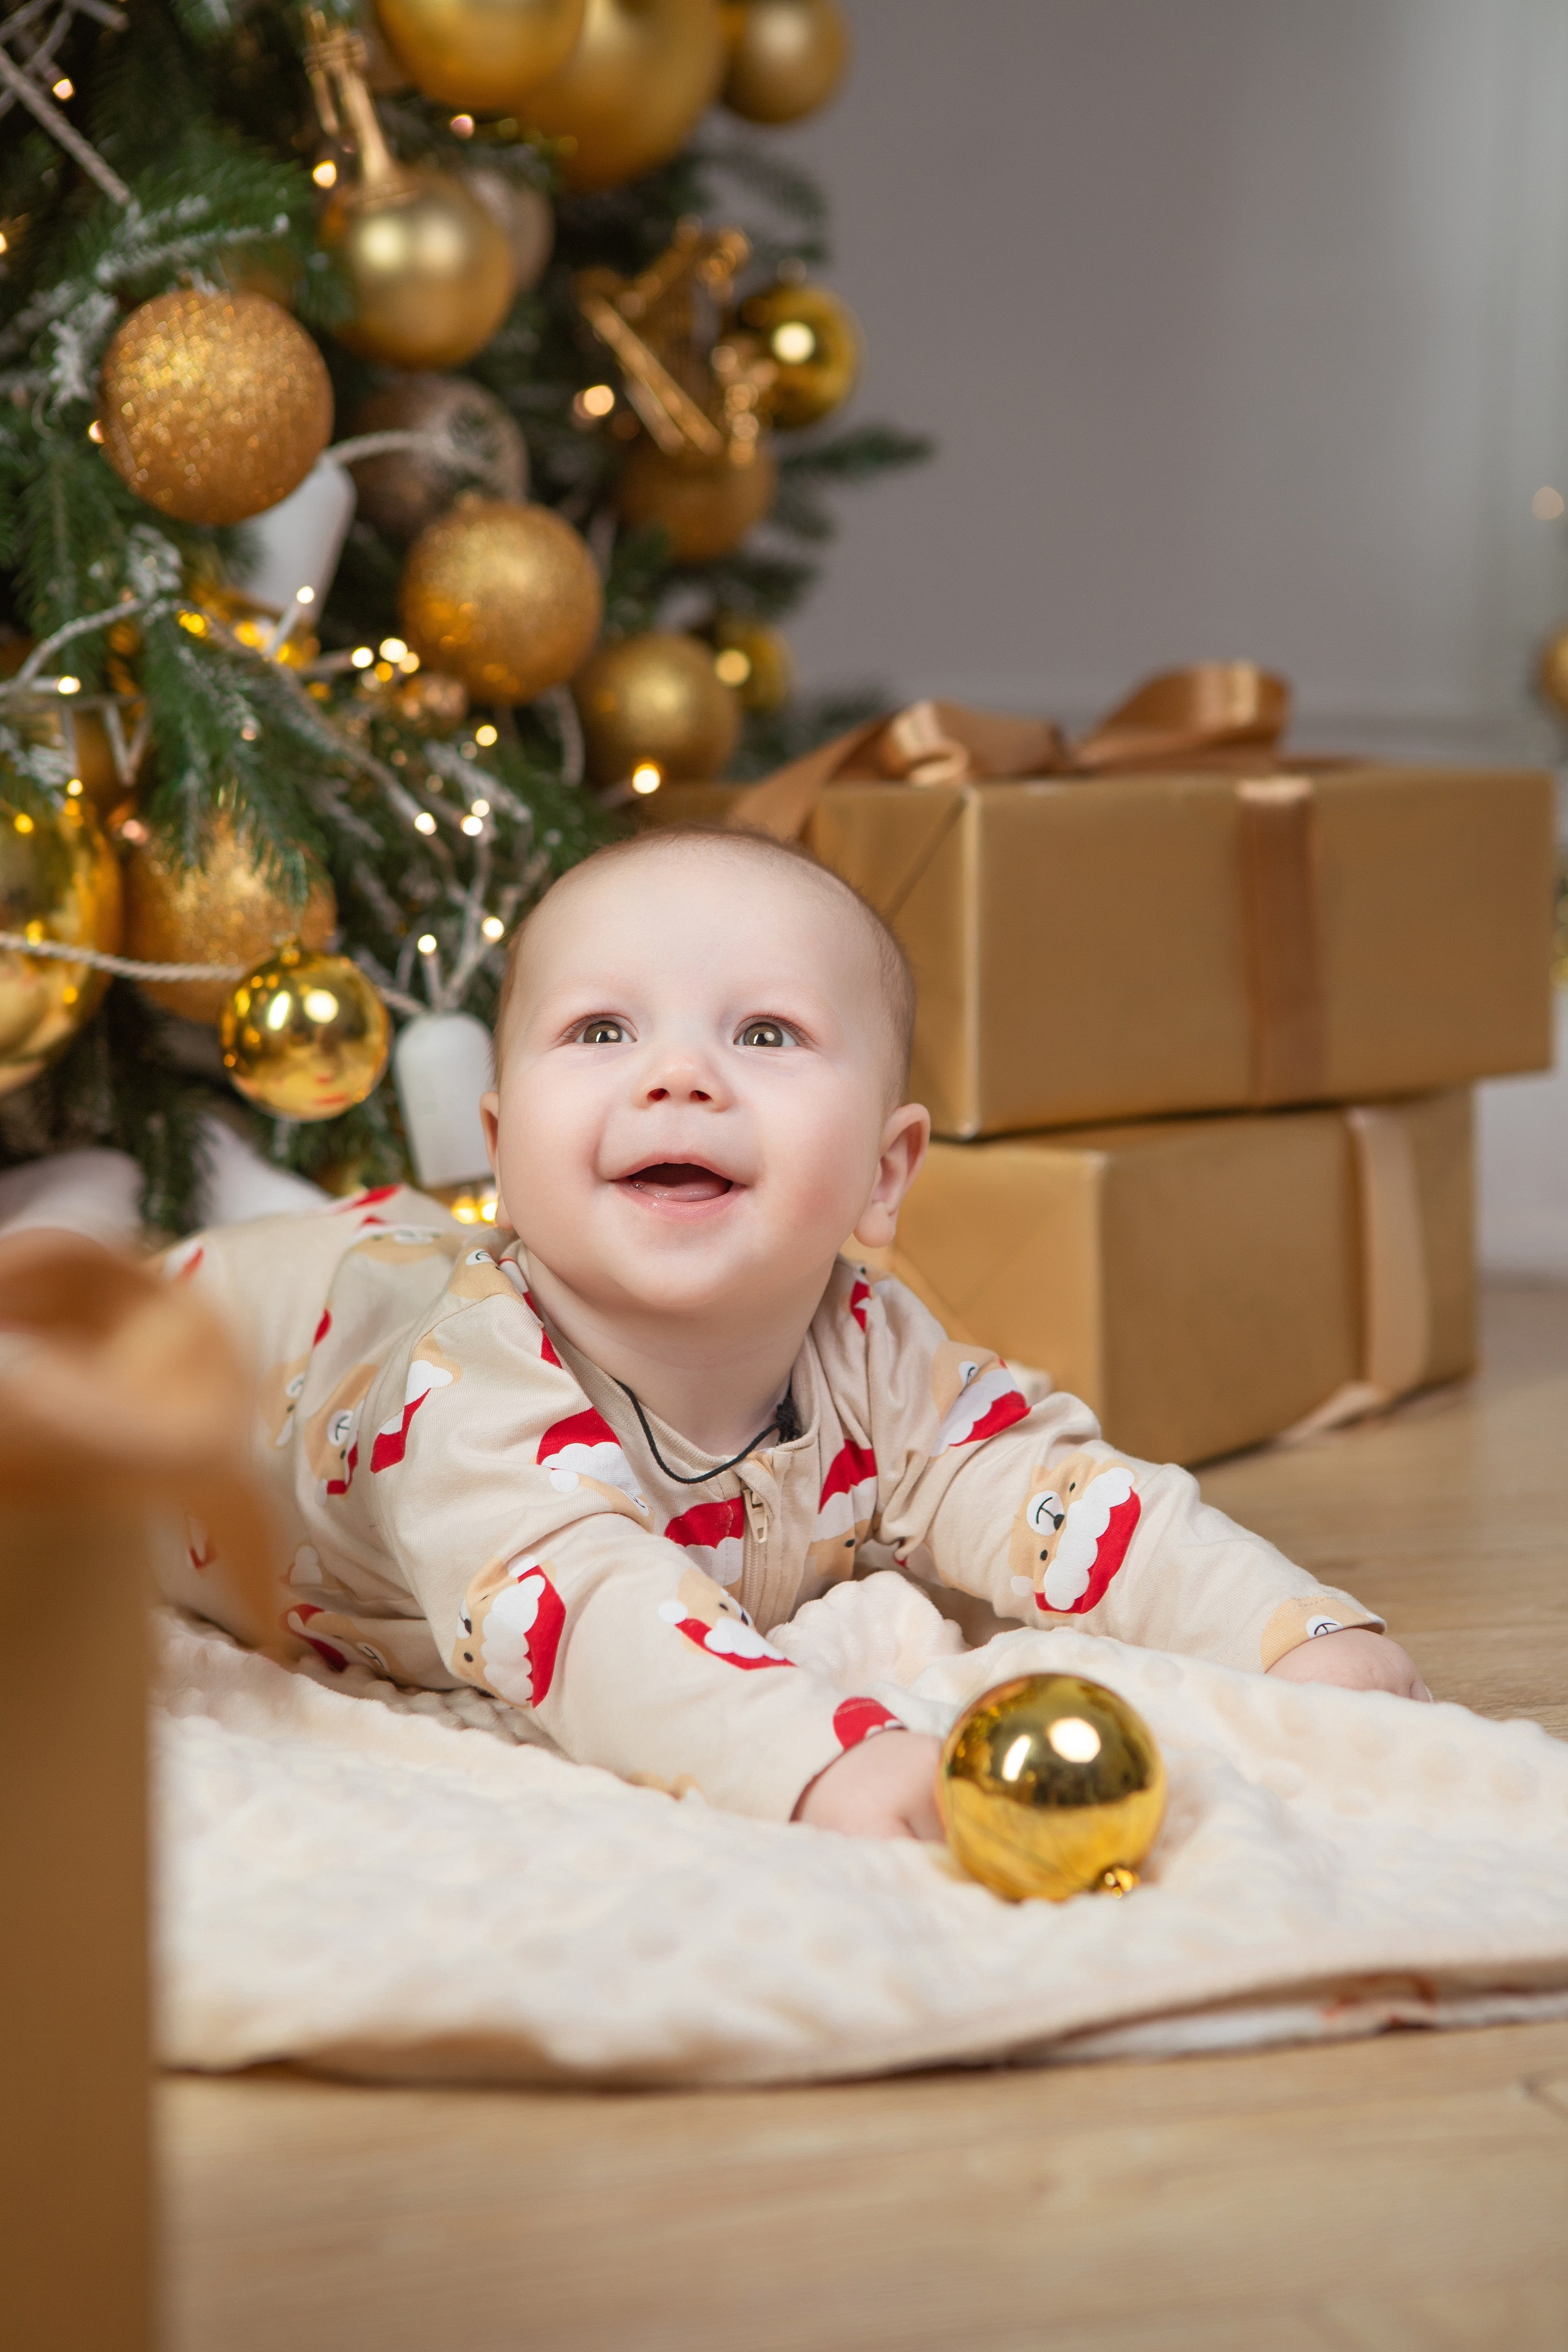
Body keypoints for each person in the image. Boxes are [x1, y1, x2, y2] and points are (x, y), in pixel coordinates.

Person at [154, 827, 1428, 1840]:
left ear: (884, 1172)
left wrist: (1295, 1635)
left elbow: (1061, 1496)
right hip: (214, 1351)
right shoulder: (464, 1388)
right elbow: (590, 1618)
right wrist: (816, 1758)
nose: (675, 1075)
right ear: (502, 1153)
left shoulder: (873, 1350)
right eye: (601, 1030)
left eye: (764, 1033)